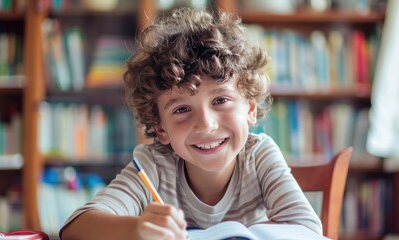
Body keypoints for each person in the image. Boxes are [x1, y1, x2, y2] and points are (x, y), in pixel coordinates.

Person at [59, 7, 322, 240]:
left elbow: (307, 230)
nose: (206, 125)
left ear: (250, 108)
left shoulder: (259, 156)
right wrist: (135, 229)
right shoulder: (154, 166)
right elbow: (76, 227)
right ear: (160, 127)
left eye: (220, 100)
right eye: (182, 109)